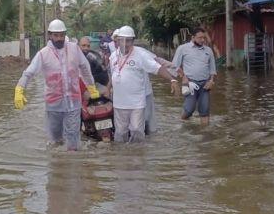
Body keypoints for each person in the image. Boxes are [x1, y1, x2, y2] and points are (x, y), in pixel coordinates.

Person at [14, 19, 100, 150]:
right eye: (56, 35)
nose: (59, 38)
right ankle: (57, 167)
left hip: (73, 101)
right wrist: (20, 89)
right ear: (50, 35)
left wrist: (91, 86)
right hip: (53, 104)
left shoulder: (74, 49)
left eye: (61, 35)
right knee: (55, 139)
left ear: (65, 34)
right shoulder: (43, 54)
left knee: (73, 137)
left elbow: (85, 68)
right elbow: (29, 73)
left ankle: (71, 163)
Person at [108, 26, 175, 143]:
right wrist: (108, 88)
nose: (125, 43)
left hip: (137, 103)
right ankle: (121, 158)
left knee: (137, 130)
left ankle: (138, 156)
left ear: (133, 41)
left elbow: (158, 68)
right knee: (120, 132)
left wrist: (172, 80)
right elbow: (113, 74)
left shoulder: (141, 55)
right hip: (119, 103)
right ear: (117, 41)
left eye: (128, 40)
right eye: (122, 40)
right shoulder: (113, 56)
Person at [171, 27, 217, 125]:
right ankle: (182, 124)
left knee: (205, 111)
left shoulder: (208, 50)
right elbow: (175, 66)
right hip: (190, 83)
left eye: (204, 38)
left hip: (205, 84)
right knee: (189, 110)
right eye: (200, 38)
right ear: (193, 37)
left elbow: (212, 68)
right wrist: (183, 77)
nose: (203, 40)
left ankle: (205, 135)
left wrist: (211, 81)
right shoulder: (182, 48)